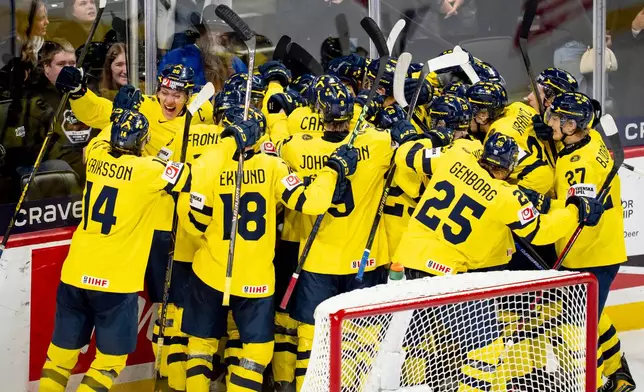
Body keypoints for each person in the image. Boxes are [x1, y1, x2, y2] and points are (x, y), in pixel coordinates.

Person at [179, 105, 357, 392]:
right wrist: (332, 171)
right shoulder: (272, 166)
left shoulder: (210, 165)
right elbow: (310, 203)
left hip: (209, 270)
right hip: (255, 278)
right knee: (257, 353)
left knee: (200, 345)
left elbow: (194, 223)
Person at [38, 108, 191, 392]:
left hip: (75, 273)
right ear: (142, 141)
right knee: (109, 361)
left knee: (59, 358)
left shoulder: (95, 157)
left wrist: (118, 116)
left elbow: (99, 141)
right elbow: (188, 179)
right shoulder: (150, 171)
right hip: (115, 282)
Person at [277, 78, 394, 391]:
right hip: (363, 262)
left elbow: (281, 147)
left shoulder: (297, 147)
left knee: (310, 340)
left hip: (316, 260)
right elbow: (392, 140)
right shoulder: (377, 144)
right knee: (361, 341)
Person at [524, 92, 635, 392]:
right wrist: (556, 135)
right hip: (598, 251)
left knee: (580, 330)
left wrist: (541, 206)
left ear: (576, 125)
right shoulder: (591, 140)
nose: (554, 122)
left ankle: (595, 384)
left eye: (561, 120)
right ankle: (619, 375)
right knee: (591, 320)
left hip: (590, 255)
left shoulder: (578, 164)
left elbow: (578, 212)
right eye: (554, 116)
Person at [57, 63, 214, 158]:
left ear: (188, 96)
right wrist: (79, 93)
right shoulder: (142, 106)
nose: (169, 101)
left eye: (177, 95)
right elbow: (99, 111)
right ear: (157, 92)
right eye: (164, 93)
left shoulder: (203, 108)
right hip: (152, 186)